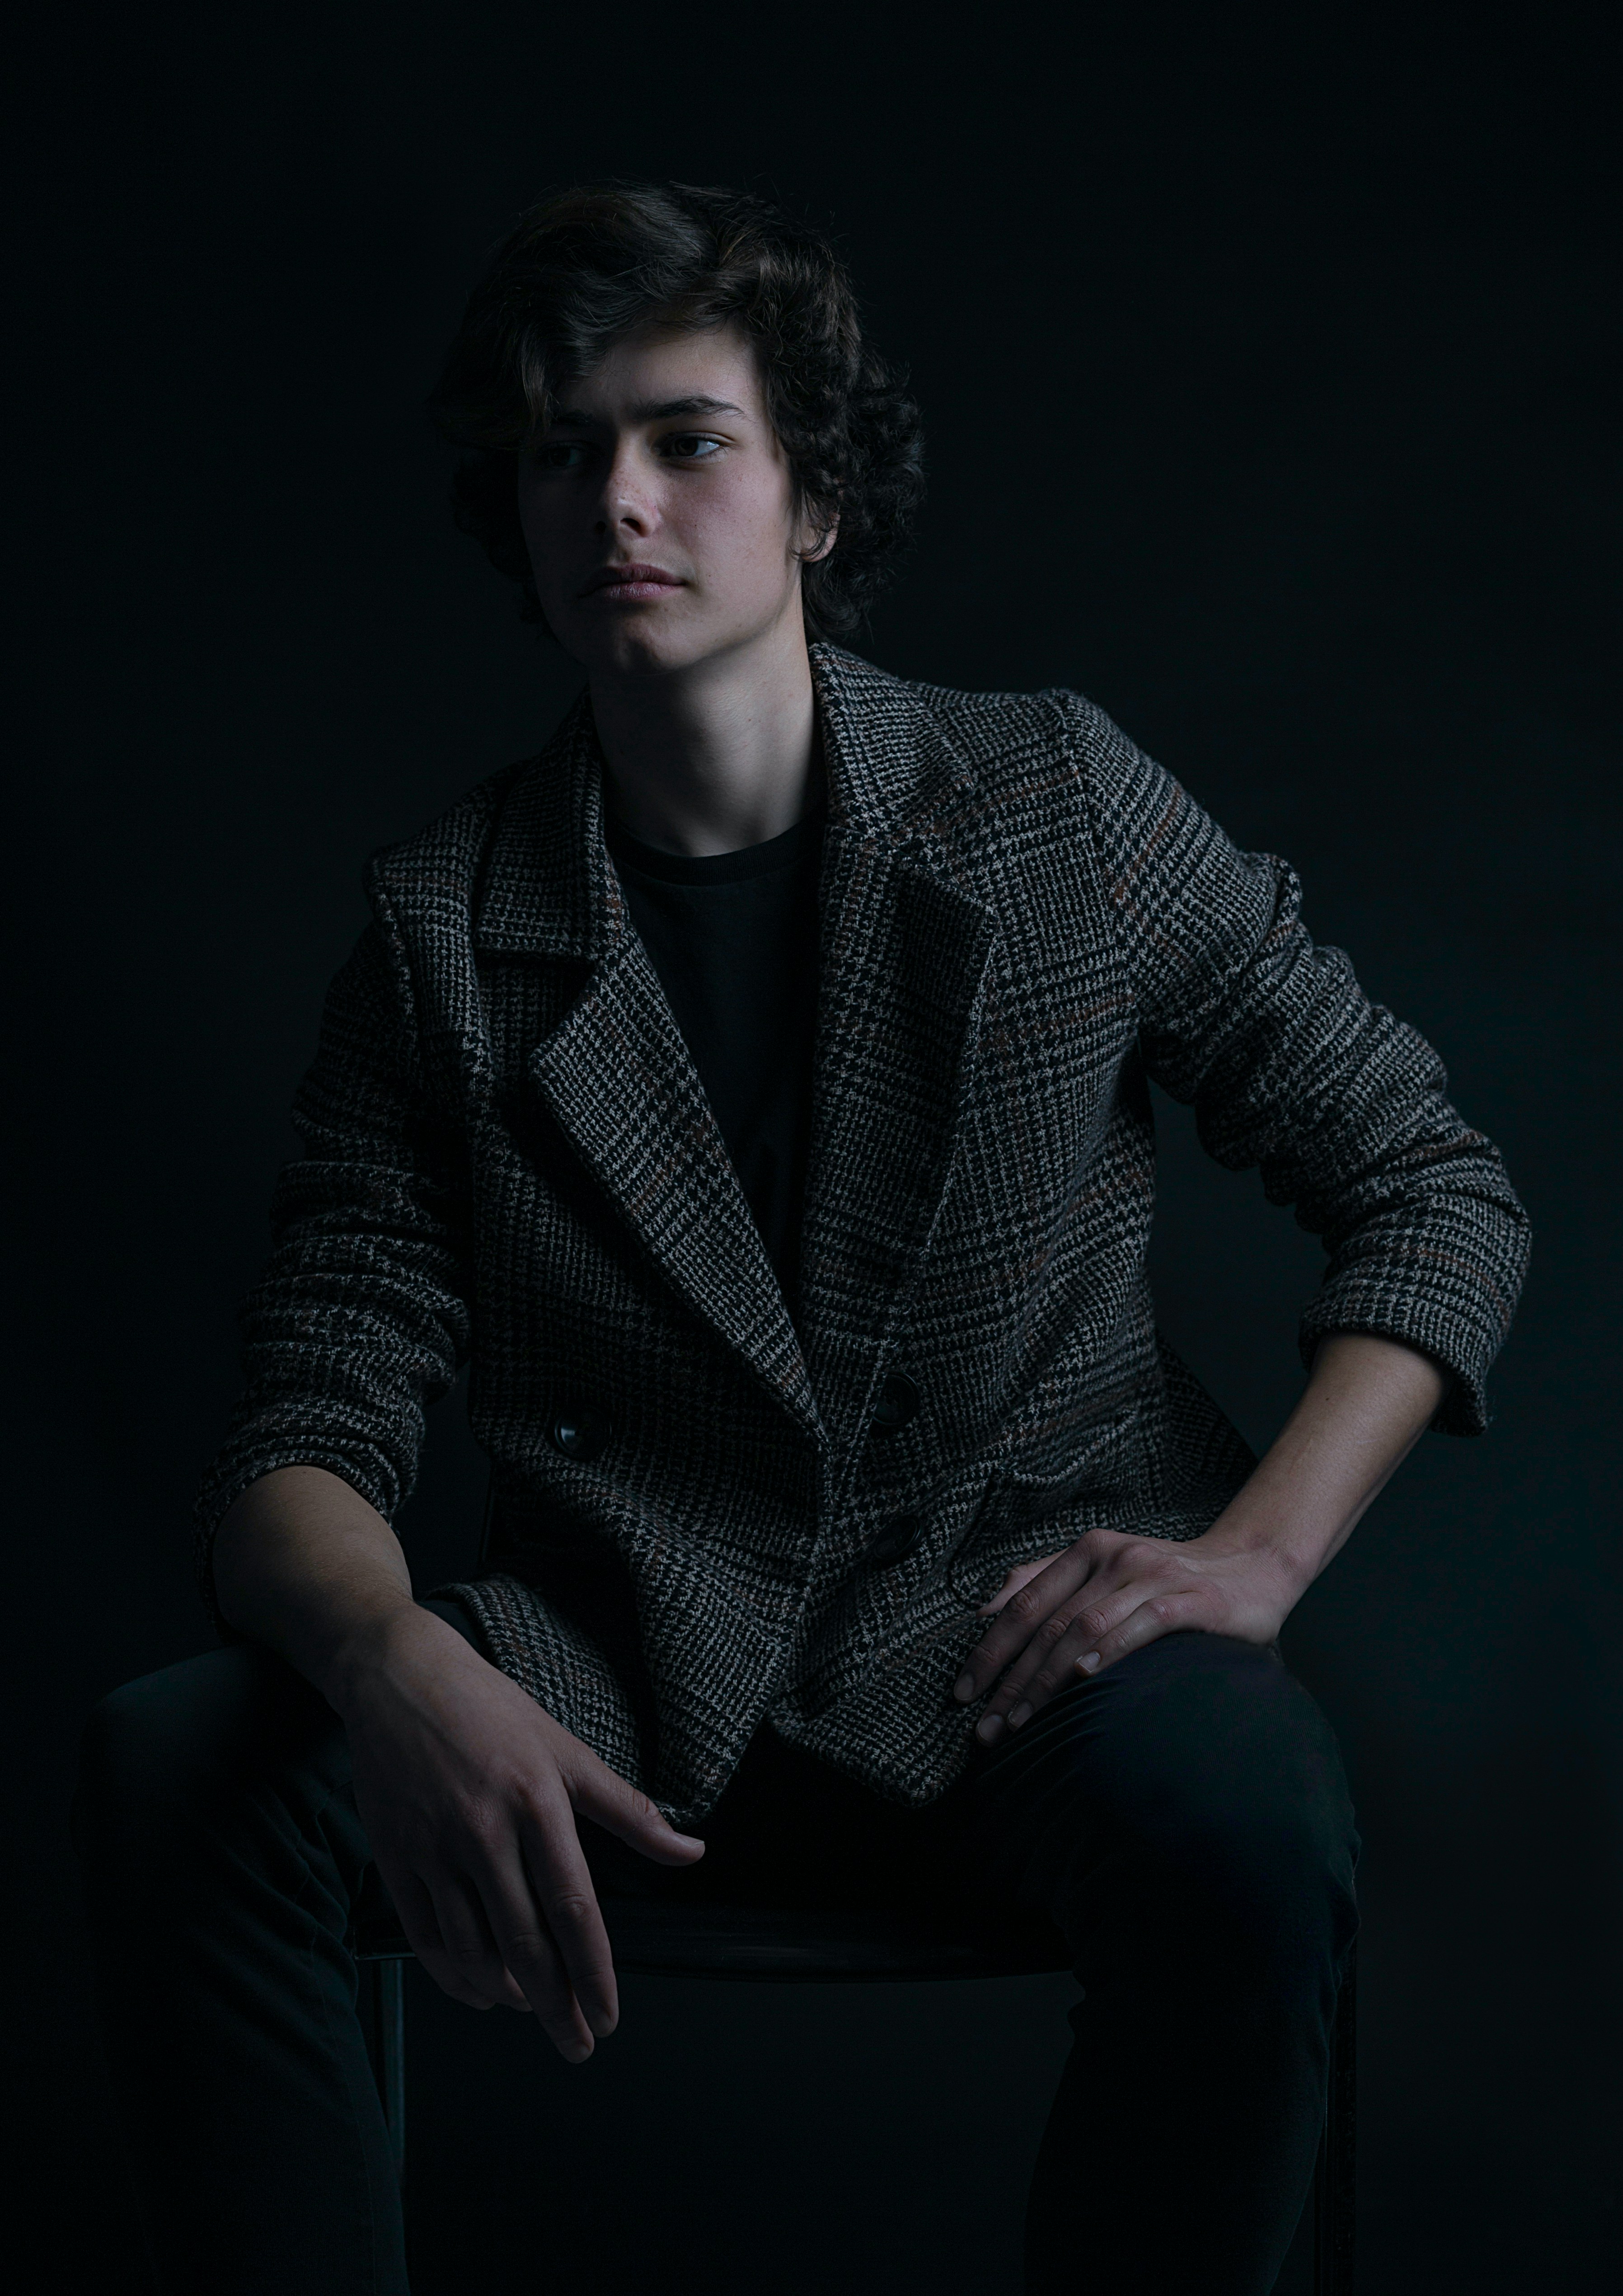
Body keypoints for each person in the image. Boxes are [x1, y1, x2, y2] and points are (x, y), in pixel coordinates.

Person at [75, 181, 1530, 2296]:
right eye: (564, 449)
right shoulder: (439, 931)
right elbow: (312, 1405)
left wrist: (1256, 1557)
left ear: (819, 498)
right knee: (177, 1769)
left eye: (688, 438)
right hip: (621, 1660)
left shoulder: (1057, 808)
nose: (619, 502)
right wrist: (392, 1659)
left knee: (1252, 1821)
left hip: (1026, 1629)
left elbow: (1430, 1181)